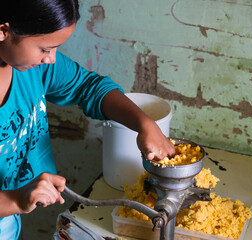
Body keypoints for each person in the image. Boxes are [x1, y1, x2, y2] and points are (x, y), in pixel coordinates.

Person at [0, 0, 175, 239]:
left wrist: (144, 123)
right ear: (3, 31)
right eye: (45, 49)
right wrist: (15, 199)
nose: (51, 58)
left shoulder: (32, 67)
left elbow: (88, 87)